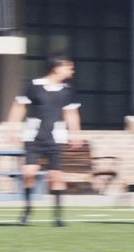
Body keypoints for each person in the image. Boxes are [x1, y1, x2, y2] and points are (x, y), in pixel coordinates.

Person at [6, 56, 83, 227]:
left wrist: (76, 134)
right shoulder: (34, 86)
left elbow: (71, 113)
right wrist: (12, 128)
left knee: (56, 176)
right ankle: (27, 210)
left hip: (56, 137)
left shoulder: (68, 90)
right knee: (29, 173)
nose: (72, 71)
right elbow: (19, 106)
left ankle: (58, 216)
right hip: (34, 136)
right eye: (69, 68)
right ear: (56, 68)